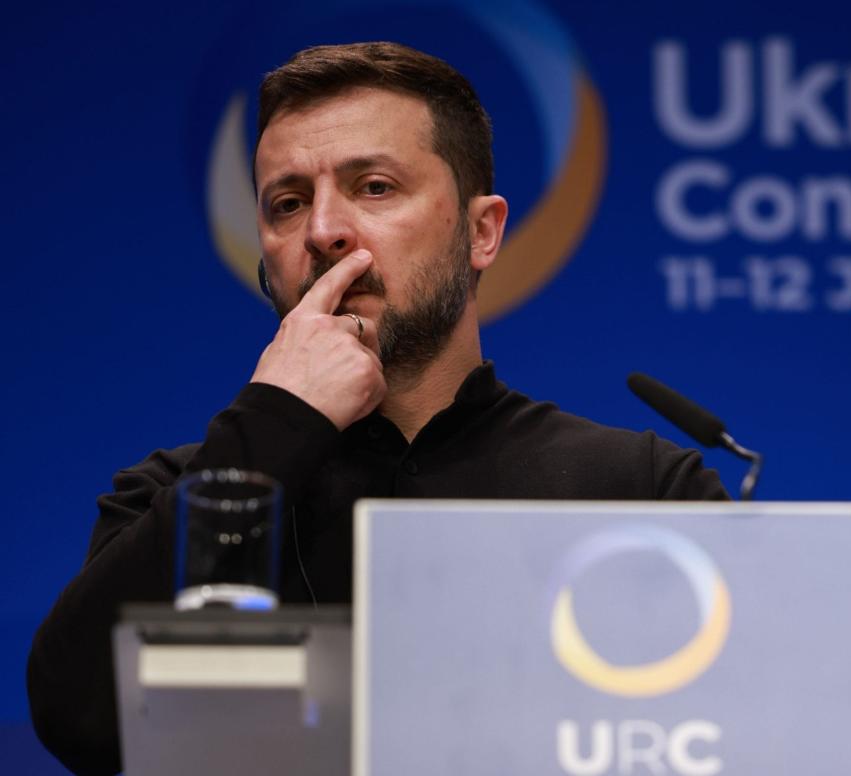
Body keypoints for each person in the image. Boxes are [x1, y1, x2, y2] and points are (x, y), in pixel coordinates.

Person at [27, 41, 726, 776]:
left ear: (481, 231)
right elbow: (80, 722)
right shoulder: (185, 494)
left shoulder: (640, 489)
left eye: (375, 188)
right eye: (288, 203)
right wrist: (276, 423)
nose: (324, 231)